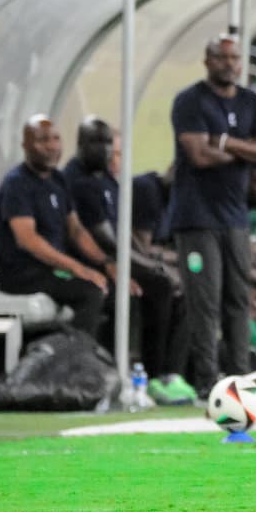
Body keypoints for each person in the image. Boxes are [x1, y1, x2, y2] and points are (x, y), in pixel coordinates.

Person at [168, 35, 256, 398]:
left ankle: (240, 378)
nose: (229, 64)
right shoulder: (190, 100)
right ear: (207, 61)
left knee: (239, 299)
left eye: (234, 58)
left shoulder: (251, 102)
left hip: (235, 217)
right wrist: (247, 151)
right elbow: (199, 155)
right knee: (205, 301)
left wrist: (226, 143)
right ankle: (207, 381)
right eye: (221, 57)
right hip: (196, 217)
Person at [63, 117, 194, 404]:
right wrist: (151, 267)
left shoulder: (107, 180)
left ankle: (172, 373)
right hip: (93, 264)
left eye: (110, 145)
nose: (107, 152)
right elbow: (107, 240)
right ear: (80, 144)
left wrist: (151, 262)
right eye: (98, 143)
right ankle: (151, 374)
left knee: (180, 285)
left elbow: (125, 233)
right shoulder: (80, 182)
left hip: (114, 259)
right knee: (160, 286)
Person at [0, 115, 112, 337]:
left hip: (51, 272)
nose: (51, 146)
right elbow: (28, 240)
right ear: (25, 145)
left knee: (113, 288)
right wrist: (77, 268)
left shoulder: (58, 179)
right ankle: (70, 354)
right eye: (42, 140)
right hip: (24, 276)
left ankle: (96, 353)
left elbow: (76, 230)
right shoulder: (17, 184)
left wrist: (106, 263)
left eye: (56, 139)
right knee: (90, 293)